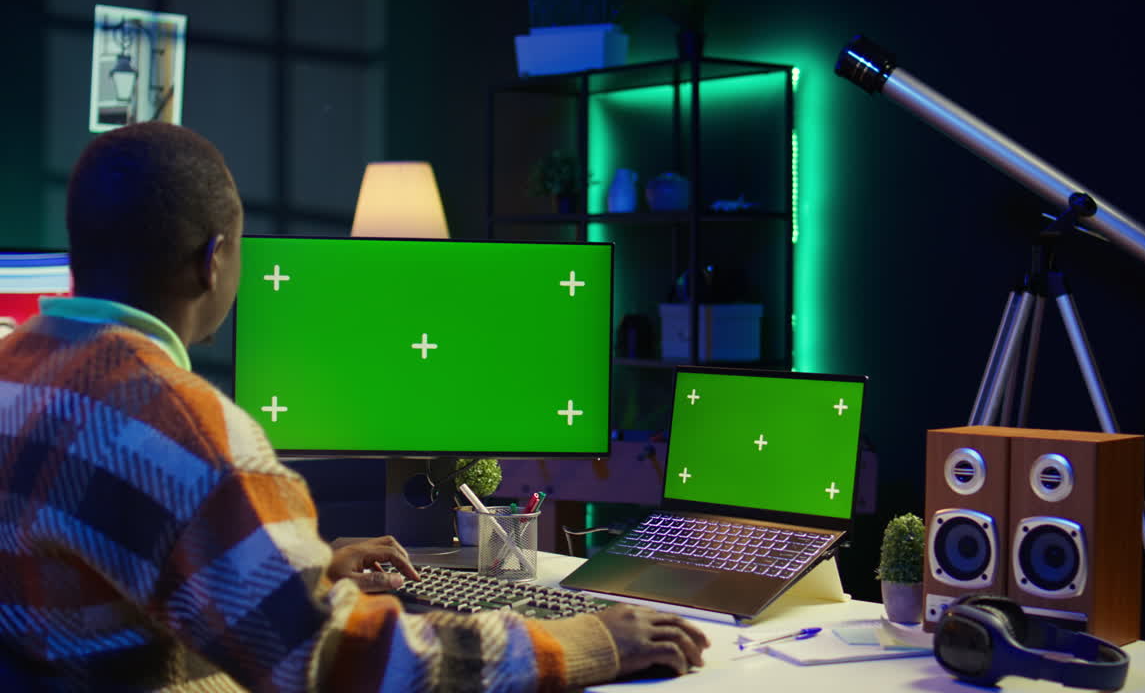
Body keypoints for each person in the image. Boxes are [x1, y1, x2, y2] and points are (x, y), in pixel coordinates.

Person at [0, 122, 708, 691]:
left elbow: (101, 580)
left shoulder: (15, 373)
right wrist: (583, 642)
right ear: (213, 261)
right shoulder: (188, 433)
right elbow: (344, 662)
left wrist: (308, 568)